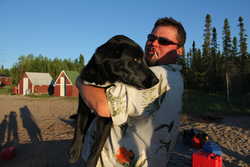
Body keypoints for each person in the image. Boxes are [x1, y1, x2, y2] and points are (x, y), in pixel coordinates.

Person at [77, 17, 186, 167]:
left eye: (164, 41)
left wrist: (81, 81)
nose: (154, 43)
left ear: (179, 50)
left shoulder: (161, 77)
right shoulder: (170, 76)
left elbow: (102, 106)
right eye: (151, 38)